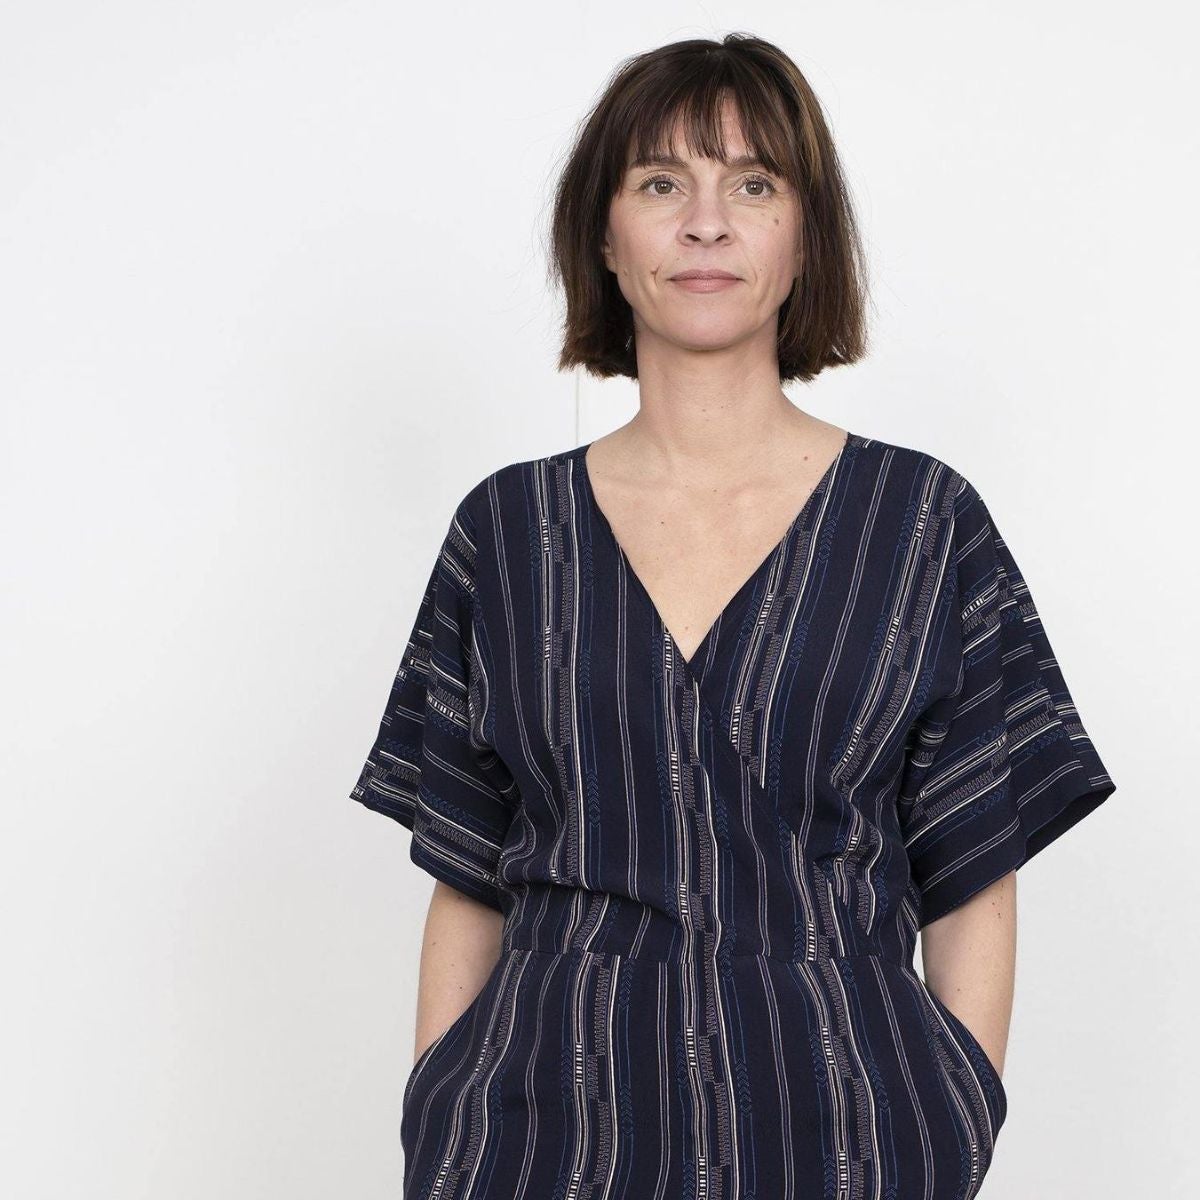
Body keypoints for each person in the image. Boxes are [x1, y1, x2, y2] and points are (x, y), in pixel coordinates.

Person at [348, 32, 1116, 1199]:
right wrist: (439, 1119)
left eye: (754, 185)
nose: (706, 223)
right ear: (605, 237)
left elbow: (974, 865)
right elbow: (465, 870)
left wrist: (954, 1116)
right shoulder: (507, 533)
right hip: (537, 1143)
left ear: (807, 238)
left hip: (851, 1141)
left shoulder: (921, 522)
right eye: (662, 183)